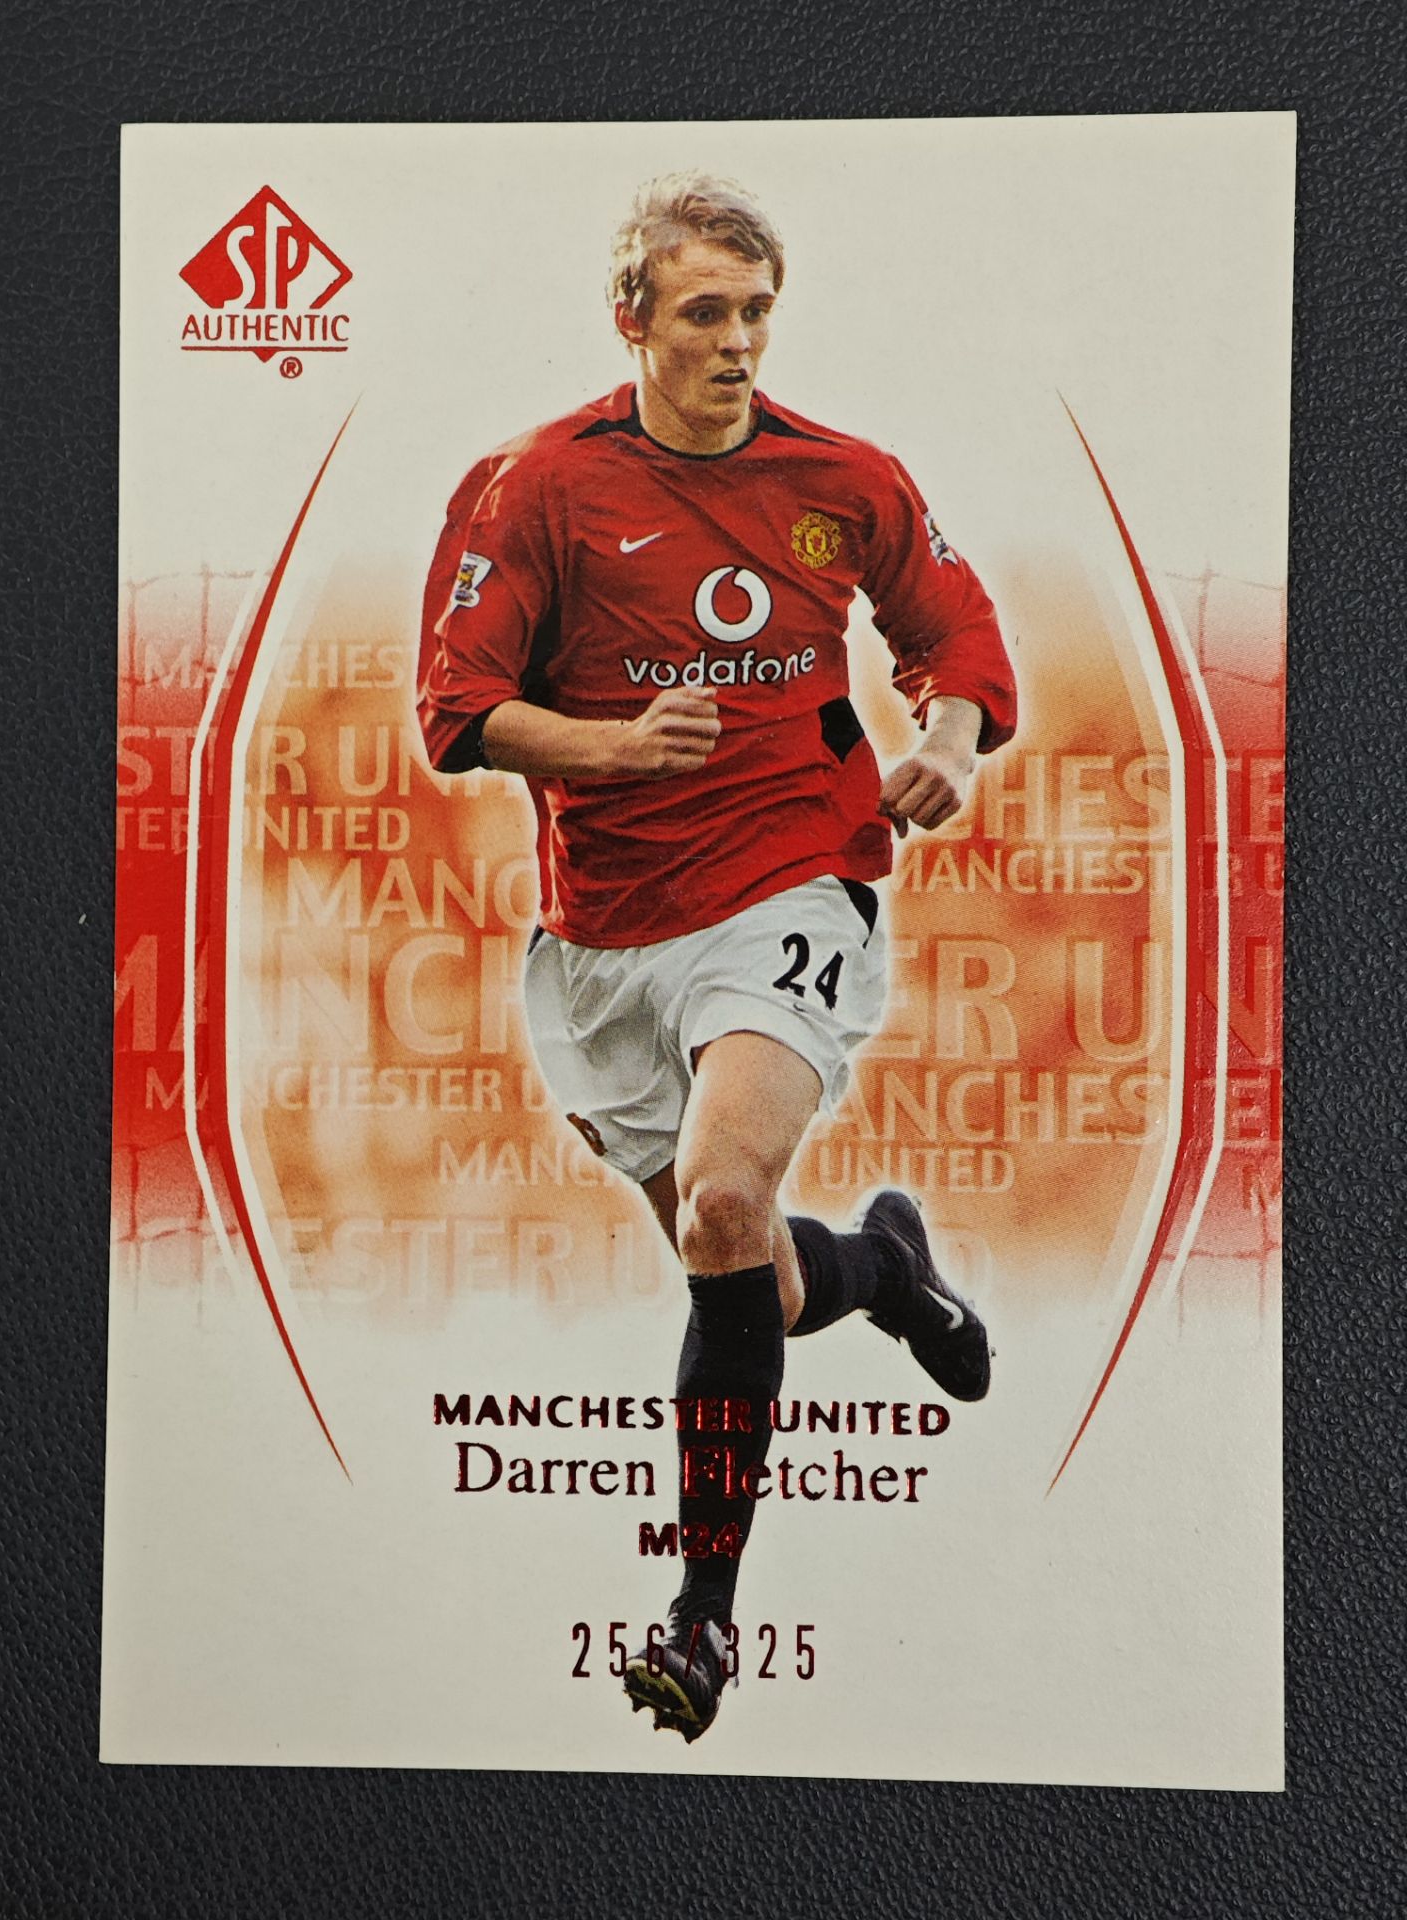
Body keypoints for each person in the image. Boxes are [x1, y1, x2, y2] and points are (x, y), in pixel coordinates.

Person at [417, 172, 1017, 1743]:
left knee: (727, 1197)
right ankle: (884, 1270)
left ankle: (699, 1619)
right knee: (747, 1264)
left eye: (755, 311)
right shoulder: (532, 489)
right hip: (606, 938)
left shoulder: (847, 479)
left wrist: (952, 739)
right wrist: (614, 749)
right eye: (704, 313)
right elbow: (459, 715)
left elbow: (951, 633)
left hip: (795, 879)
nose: (738, 341)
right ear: (634, 321)